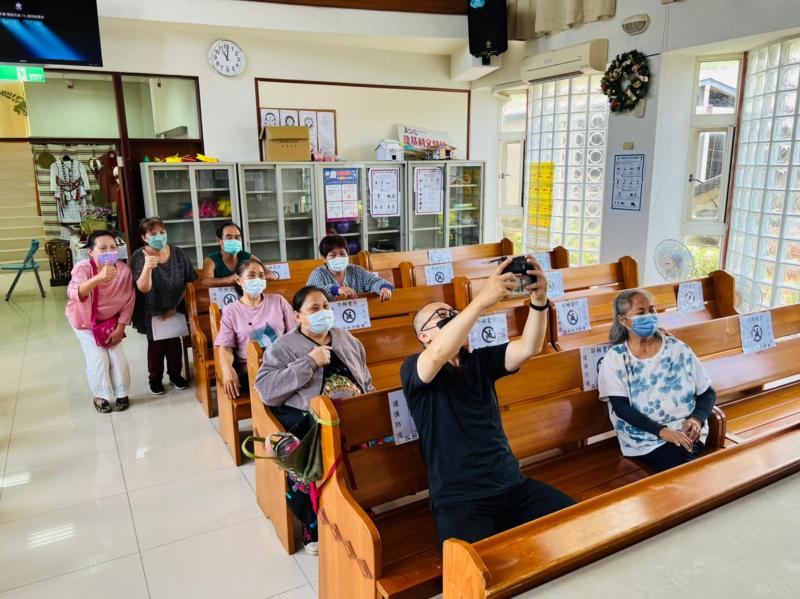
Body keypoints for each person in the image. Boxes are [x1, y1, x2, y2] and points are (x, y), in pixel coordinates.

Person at [401, 256, 575, 546]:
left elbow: (530, 346)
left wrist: (540, 298)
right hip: (460, 497)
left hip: (511, 483)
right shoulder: (415, 367)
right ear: (424, 335)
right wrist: (481, 301)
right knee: (472, 575)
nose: (454, 316)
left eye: (454, 312)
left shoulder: (479, 361)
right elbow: (438, 354)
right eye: (444, 315)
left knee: (580, 525)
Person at [255, 285, 374, 555]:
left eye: (326, 307)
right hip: (310, 421)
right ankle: (311, 522)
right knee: (303, 455)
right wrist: (309, 361)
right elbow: (266, 390)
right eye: (314, 308)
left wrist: (371, 407)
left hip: (352, 412)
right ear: (298, 316)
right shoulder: (283, 347)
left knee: (383, 437)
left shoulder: (346, 338)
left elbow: (366, 380)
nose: (323, 312)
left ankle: (362, 502)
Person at [598, 289, 717, 473]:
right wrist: (663, 431)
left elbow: (707, 393)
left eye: (652, 310)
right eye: (640, 312)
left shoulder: (678, 348)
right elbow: (621, 408)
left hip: (685, 430)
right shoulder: (616, 358)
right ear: (623, 320)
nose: (649, 316)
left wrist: (697, 419)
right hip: (643, 436)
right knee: (680, 468)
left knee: (683, 459)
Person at [66, 231, 135, 413]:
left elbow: (129, 301)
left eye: (113, 247)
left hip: (110, 323)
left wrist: (120, 328)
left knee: (117, 356)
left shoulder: (124, 271)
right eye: (102, 248)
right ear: (91, 252)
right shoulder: (83, 268)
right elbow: (74, 293)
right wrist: (99, 278)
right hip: (84, 323)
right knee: (98, 358)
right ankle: (100, 396)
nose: (109, 251)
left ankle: (122, 393)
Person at [131, 217, 198, 395]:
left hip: (175, 305)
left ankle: (175, 375)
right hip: (151, 307)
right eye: (153, 234)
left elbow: (189, 282)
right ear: (145, 238)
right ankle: (155, 379)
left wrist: (175, 305)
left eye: (162, 232)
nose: (159, 236)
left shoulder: (178, 253)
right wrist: (147, 267)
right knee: (156, 345)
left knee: (174, 341)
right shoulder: (139, 256)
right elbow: (143, 287)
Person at [213, 259, 295, 399]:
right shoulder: (230, 311)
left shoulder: (278, 301)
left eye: (261, 275)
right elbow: (225, 347)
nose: (257, 279)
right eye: (251, 275)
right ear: (239, 280)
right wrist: (227, 369)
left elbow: (295, 333)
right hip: (252, 369)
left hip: (284, 363)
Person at [306, 234, 393, 301]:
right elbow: (312, 292)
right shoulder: (318, 273)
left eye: (342, 254)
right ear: (324, 258)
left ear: (348, 255)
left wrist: (384, 287)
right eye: (333, 255)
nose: (338, 258)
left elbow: (374, 281)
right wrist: (337, 290)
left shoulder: (356, 270)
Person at [201, 221, 277, 285]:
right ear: (219, 241)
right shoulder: (211, 260)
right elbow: (205, 282)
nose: (234, 240)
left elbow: (271, 275)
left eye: (237, 237)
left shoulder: (247, 257)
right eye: (229, 237)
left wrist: (248, 279)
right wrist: (229, 280)